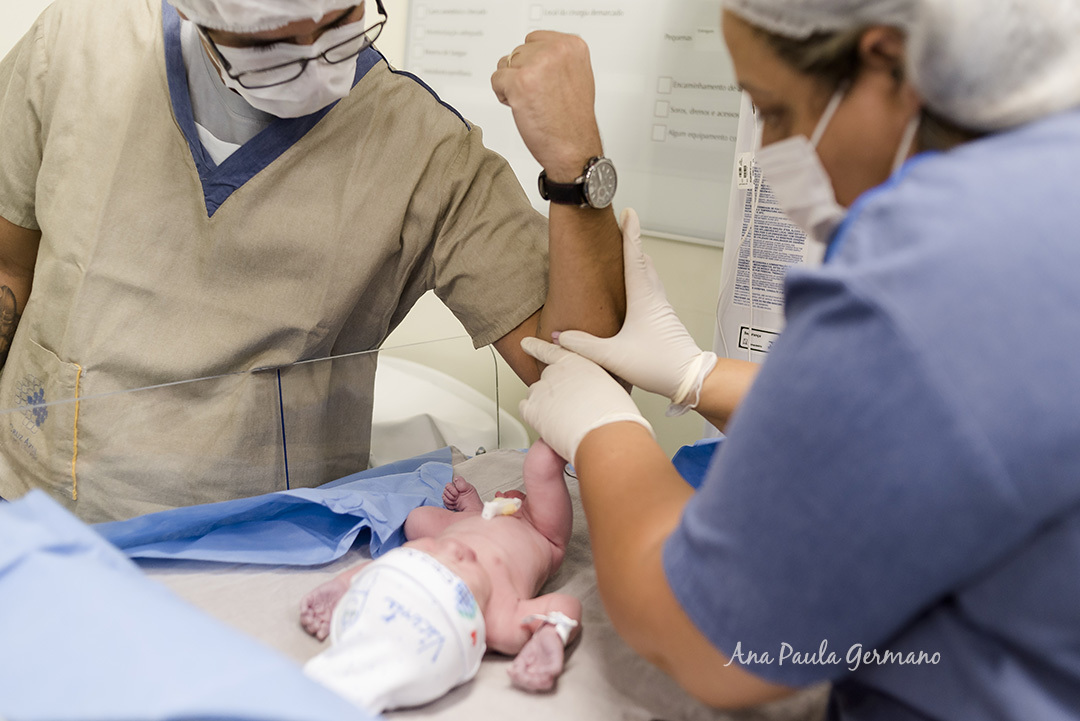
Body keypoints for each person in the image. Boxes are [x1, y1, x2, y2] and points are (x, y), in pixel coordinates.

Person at [496, 0, 1080, 718]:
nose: (771, 148)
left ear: (887, 63)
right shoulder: (1048, 178)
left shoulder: (934, 259)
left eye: (772, 110)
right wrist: (697, 374)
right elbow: (958, 419)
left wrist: (606, 431)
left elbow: (716, 639)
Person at [0, 0, 624, 521]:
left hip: (255, 556)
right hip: (29, 506)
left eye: (339, 24)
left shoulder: (424, 150)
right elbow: (9, 271)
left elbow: (590, 389)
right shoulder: (78, 43)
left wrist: (576, 166)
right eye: (270, 45)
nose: (316, 65)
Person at [299, 439, 581, 713]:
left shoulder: (437, 576)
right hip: (538, 529)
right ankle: (575, 427)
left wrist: (342, 584)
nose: (456, 552)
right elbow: (564, 608)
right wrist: (552, 635)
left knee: (416, 520)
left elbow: (389, 569)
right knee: (540, 465)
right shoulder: (499, 622)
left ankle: (471, 510)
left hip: (466, 530)